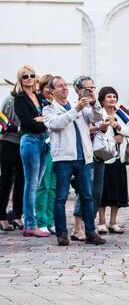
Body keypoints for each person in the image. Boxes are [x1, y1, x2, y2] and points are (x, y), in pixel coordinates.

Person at [42, 76, 105, 246]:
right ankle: (62, 233)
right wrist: (76, 109)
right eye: (59, 86)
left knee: (87, 196)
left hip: (84, 158)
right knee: (61, 197)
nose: (64, 88)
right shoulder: (49, 109)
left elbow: (97, 117)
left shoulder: (80, 106)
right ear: (52, 90)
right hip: (63, 159)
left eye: (65, 85)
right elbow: (56, 124)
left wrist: (94, 101)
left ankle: (90, 232)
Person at [13, 65, 50, 237]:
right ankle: (30, 223)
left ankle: (31, 221)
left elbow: (51, 117)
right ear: (20, 80)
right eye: (25, 76)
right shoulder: (20, 98)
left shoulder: (38, 96)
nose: (29, 78)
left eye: (32, 75)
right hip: (30, 141)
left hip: (43, 141)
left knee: (38, 182)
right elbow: (28, 123)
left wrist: (43, 119)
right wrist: (44, 121)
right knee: (31, 184)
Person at [96, 87, 129, 234]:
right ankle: (101, 221)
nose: (112, 99)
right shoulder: (99, 114)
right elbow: (98, 133)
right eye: (108, 97)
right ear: (102, 99)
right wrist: (113, 139)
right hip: (105, 156)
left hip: (119, 157)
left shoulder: (121, 113)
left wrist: (119, 127)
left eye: (114, 96)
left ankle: (113, 221)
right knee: (104, 191)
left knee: (117, 190)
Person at [70, 76, 105, 241]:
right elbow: (85, 128)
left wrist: (94, 101)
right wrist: (98, 127)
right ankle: (78, 226)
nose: (90, 90)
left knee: (96, 192)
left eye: (92, 87)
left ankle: (88, 224)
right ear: (78, 90)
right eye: (86, 88)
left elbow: (97, 117)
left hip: (98, 152)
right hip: (82, 153)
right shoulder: (73, 107)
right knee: (84, 191)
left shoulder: (94, 106)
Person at [34, 74, 55, 235]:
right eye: (48, 87)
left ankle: (50, 219)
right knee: (44, 184)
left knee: (54, 185)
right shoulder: (38, 102)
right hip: (42, 145)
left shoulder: (55, 103)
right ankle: (41, 219)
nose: (51, 90)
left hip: (57, 147)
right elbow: (36, 120)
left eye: (52, 86)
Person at [0, 88, 24, 231]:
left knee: (21, 180)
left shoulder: (31, 100)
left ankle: (17, 215)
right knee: (6, 179)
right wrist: (19, 129)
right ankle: (2, 216)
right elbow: (2, 122)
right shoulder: (10, 100)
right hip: (8, 143)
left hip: (25, 144)